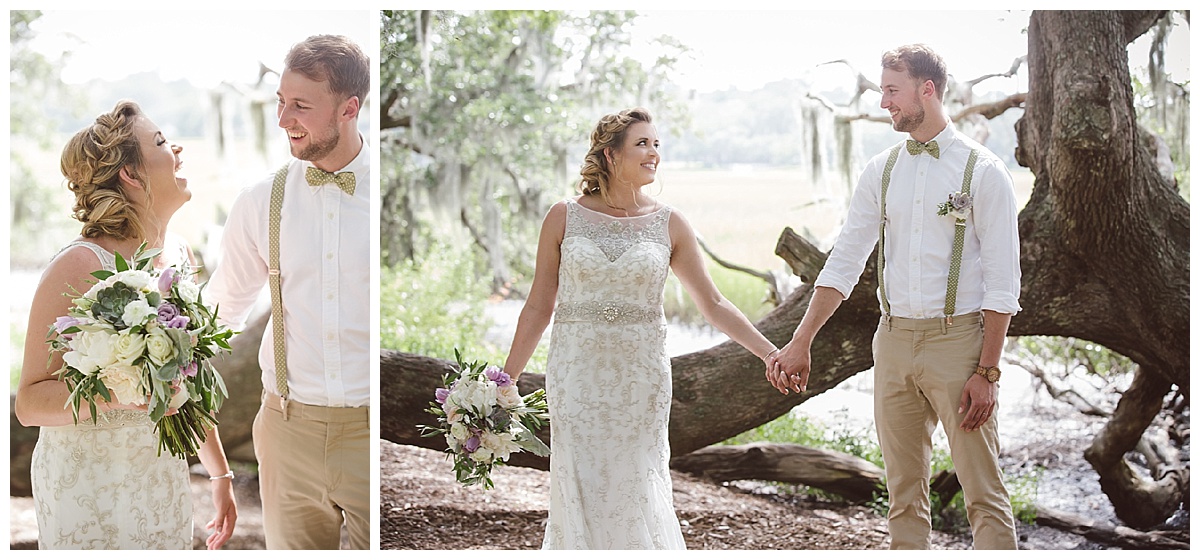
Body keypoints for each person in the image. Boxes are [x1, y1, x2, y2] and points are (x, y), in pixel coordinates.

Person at [772, 44, 1022, 549]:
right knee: (904, 493)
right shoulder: (880, 171)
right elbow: (844, 261)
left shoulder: (984, 172)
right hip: (892, 341)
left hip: (960, 343)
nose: (884, 101)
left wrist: (987, 371)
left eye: (892, 90)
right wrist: (800, 342)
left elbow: (1002, 282)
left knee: (983, 492)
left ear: (926, 90)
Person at [501, 107, 782, 550]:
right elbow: (539, 303)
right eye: (642, 144)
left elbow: (712, 302)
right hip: (577, 376)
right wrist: (508, 377)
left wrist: (771, 353)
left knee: (635, 478)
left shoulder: (670, 223)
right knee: (580, 477)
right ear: (610, 156)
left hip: (640, 379)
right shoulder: (562, 216)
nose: (653, 154)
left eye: (657, 145)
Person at [16, 100, 238, 550]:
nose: (176, 148)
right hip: (88, 486)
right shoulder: (78, 265)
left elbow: (187, 381)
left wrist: (220, 472)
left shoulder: (180, 256)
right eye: (159, 142)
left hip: (161, 479)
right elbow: (29, 403)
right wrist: (123, 387)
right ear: (131, 176)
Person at [203, 34, 369, 550]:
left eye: (300, 105)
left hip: (370, 426)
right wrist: (157, 353)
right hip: (286, 428)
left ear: (349, 108)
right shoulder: (258, 202)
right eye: (280, 102)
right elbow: (222, 308)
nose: (283, 119)